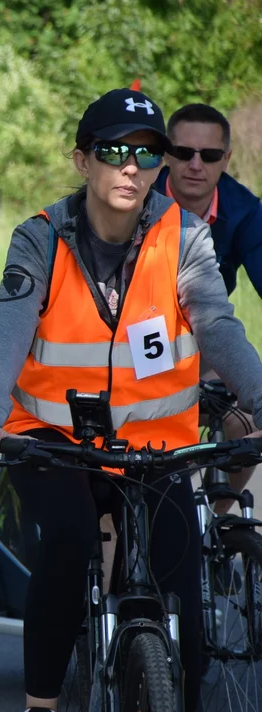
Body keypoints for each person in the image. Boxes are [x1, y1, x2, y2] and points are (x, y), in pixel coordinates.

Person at [0, 88, 262, 712]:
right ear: (82, 161)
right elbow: (9, 328)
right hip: (50, 438)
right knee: (69, 543)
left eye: (149, 154)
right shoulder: (40, 237)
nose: (132, 166)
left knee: (183, 583)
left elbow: (217, 325)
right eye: (115, 151)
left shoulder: (182, 235)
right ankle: (41, 705)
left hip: (155, 443)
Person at [156, 102, 262, 509]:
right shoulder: (135, 197)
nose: (195, 164)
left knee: (248, 418)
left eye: (210, 155)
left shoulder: (246, 211)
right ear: (167, 154)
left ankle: (212, 527)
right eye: (183, 153)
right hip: (133, 345)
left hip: (203, 342)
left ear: (226, 159)